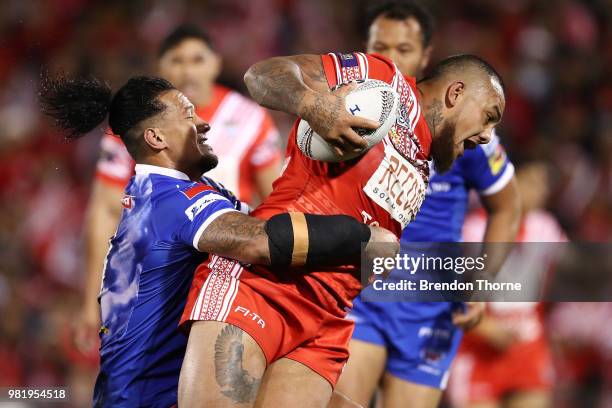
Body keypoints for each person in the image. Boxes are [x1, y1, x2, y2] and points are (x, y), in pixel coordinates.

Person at [39, 74, 396, 407]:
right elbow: (260, 240)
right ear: (156, 138)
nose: (203, 123)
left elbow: (268, 220)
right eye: (188, 114)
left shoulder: (182, 193)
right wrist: (364, 235)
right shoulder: (170, 200)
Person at [177, 48, 506, 407]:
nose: (488, 136)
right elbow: (263, 75)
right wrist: (313, 104)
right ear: (455, 93)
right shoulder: (384, 83)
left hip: (327, 318)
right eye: (489, 117)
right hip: (266, 281)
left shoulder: (422, 167)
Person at [332, 2, 521, 407]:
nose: (390, 59)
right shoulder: (353, 116)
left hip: (429, 306)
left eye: (403, 49)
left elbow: (507, 206)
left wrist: (481, 281)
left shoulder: (465, 128)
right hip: (361, 293)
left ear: (425, 56)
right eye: (379, 47)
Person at [76, 24, 282, 355]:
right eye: (177, 60)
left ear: (216, 63)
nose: (188, 70)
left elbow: (276, 196)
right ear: (161, 67)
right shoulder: (136, 123)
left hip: (227, 269)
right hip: (158, 276)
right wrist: (91, 300)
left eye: (198, 59)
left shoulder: (250, 119)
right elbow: (105, 209)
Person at [447, 159, 563, 408]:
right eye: (532, 181)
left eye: (544, 185)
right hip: (478, 349)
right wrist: (485, 327)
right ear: (509, 179)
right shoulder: (474, 229)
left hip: (527, 345)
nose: (540, 191)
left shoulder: (546, 227)